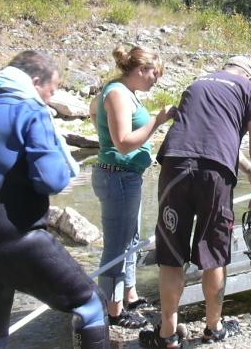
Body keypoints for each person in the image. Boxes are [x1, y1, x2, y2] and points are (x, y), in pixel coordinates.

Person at [0, 50, 110, 348]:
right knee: (90, 305)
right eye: (51, 91)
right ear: (35, 81)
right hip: (17, 239)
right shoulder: (28, 109)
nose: (49, 99)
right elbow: (52, 179)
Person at [139, 56, 251, 348]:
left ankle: (168, 335)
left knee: (171, 255)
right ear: (250, 75)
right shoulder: (249, 89)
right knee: (214, 253)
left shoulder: (197, 84)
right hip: (215, 174)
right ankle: (213, 328)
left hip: (175, 164)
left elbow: (205, 139)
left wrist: (250, 173)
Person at [90, 44, 176, 328]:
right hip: (117, 176)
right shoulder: (116, 93)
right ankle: (114, 312)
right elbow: (124, 143)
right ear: (141, 70)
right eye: (155, 74)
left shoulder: (123, 92)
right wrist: (157, 121)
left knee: (132, 240)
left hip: (126, 177)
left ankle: (130, 295)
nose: (156, 80)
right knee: (117, 245)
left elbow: (94, 114)